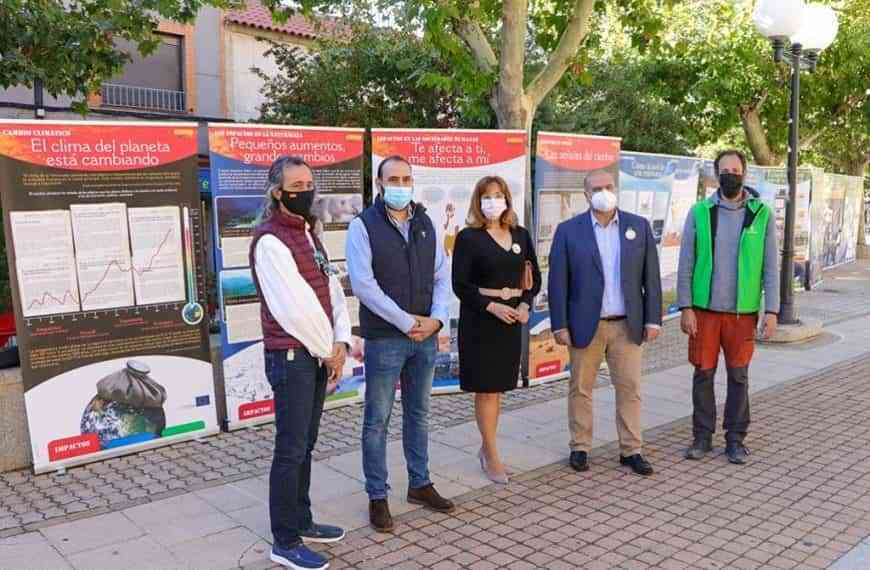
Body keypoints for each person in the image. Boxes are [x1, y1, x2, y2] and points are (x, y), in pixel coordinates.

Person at [250, 156, 350, 570]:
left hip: (316, 354)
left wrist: (341, 339)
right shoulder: (270, 240)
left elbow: (331, 288)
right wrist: (328, 349)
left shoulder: (309, 233)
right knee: (290, 450)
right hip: (292, 357)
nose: (306, 189)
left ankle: (302, 519)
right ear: (278, 193)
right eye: (297, 184)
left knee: (306, 444)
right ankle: (284, 540)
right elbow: (294, 308)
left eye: (310, 182)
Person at [346, 155, 455, 533]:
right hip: (385, 338)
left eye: (406, 178)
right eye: (393, 178)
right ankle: (378, 495)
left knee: (419, 414)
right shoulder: (363, 226)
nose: (400, 184)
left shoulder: (426, 222)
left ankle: (419, 484)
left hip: (424, 338)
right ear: (379, 184)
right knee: (377, 421)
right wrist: (407, 322)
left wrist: (437, 320)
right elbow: (362, 284)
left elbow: (443, 274)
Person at [548, 169, 663, 476]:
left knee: (630, 388)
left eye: (608, 186)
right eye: (596, 188)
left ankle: (631, 449)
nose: (603, 191)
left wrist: (653, 318)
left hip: (628, 325)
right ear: (585, 195)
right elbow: (558, 282)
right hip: (586, 325)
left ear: (616, 188)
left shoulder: (637, 226)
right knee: (581, 389)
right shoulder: (568, 231)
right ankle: (581, 446)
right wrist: (560, 324)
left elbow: (650, 277)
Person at [678, 149, 779, 465]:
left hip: (742, 313)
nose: (731, 174)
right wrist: (685, 306)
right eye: (725, 169)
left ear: (744, 174)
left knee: (738, 377)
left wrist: (772, 311)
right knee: (703, 375)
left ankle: (735, 439)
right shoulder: (699, 212)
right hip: (704, 311)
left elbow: (770, 267)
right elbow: (687, 263)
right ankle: (702, 437)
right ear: (716, 174)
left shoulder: (761, 214)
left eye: (736, 169)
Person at [451, 176, 541, 485]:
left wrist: (526, 306)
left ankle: (486, 446)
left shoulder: (521, 235)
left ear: (507, 199)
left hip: (512, 322)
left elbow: (534, 279)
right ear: (478, 201)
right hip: (481, 321)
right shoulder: (468, 238)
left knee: (498, 390)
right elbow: (460, 286)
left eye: (498, 195)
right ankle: (491, 454)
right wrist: (491, 306)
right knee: (486, 389)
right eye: (487, 196)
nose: (493, 201)